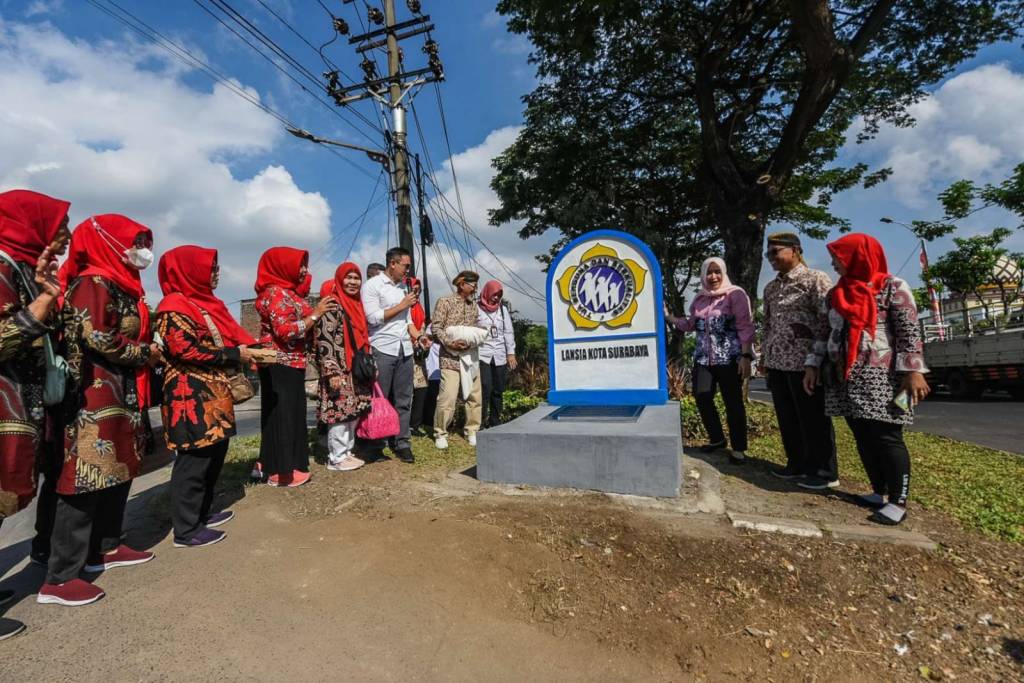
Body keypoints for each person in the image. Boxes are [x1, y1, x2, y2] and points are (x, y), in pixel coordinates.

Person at [39, 214, 162, 607]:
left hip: (120, 391)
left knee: (118, 470)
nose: (142, 250)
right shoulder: (92, 282)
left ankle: (104, 549)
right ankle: (60, 577)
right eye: (136, 241)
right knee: (84, 477)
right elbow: (97, 336)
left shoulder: (123, 284)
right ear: (108, 241)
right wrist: (147, 353)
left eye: (144, 241)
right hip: (92, 395)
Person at [806, 233, 929, 525]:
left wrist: (913, 371)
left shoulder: (892, 288)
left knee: (887, 436)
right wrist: (813, 365)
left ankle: (898, 501)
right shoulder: (835, 294)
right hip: (844, 377)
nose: (835, 263)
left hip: (882, 377)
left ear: (857, 256)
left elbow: (909, 333)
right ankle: (879, 491)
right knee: (862, 435)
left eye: (839, 257)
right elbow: (825, 332)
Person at [0, 189, 71, 636]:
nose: (65, 236)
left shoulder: (23, 269)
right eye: (58, 226)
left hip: (22, 402)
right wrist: (44, 302)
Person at [156, 246, 261, 547]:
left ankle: (200, 514)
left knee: (214, 453)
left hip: (212, 391)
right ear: (188, 269)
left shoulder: (200, 304)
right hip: (189, 394)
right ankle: (186, 529)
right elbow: (184, 349)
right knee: (194, 458)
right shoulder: (173, 306)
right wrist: (234, 353)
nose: (216, 274)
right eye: (210, 268)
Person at [760, 232, 838, 489]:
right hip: (778, 363)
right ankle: (796, 464)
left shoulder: (815, 279)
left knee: (813, 418)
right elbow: (768, 324)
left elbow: (827, 322)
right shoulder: (771, 288)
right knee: (787, 417)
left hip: (805, 364)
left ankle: (824, 472)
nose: (771, 258)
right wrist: (765, 358)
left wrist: (815, 361)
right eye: (768, 253)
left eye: (775, 252)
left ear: (794, 250)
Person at [254, 247, 336, 487]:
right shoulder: (275, 294)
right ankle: (282, 472)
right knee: (283, 416)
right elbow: (285, 330)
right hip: (280, 362)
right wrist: (315, 315)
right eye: (299, 265)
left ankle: (271, 464)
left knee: (285, 415)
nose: (303, 271)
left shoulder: (287, 293)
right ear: (282, 265)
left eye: (304, 266)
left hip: (291, 362)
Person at [665, 258, 755, 463]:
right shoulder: (700, 299)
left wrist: (746, 355)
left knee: (733, 402)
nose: (713, 276)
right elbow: (689, 325)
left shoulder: (735, 294)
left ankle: (739, 448)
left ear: (723, 273)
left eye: (717, 272)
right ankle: (717, 438)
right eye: (709, 272)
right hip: (703, 358)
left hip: (730, 358)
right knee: (702, 396)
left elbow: (745, 326)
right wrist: (669, 317)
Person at [360, 247, 425, 463]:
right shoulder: (372, 286)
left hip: (404, 348)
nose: (408, 270)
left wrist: (418, 336)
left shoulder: (402, 287)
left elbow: (406, 320)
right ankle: (375, 443)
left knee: (404, 398)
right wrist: (402, 305)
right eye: (405, 265)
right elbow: (373, 318)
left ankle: (401, 441)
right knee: (380, 398)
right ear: (393, 264)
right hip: (382, 348)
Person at [314, 262, 373, 471]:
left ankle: (347, 452)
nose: (353, 282)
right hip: (340, 368)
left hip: (356, 369)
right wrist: (331, 371)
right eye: (348, 277)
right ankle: (336, 457)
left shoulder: (357, 305)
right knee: (339, 412)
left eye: (357, 278)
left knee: (353, 412)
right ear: (339, 279)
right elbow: (325, 340)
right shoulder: (332, 305)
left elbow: (364, 338)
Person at [432, 271, 485, 449]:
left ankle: (472, 430)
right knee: (448, 395)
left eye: (476, 285)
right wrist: (450, 343)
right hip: (450, 357)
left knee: (474, 395)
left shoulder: (473, 306)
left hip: (470, 356)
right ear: (462, 284)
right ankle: (440, 432)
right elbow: (436, 328)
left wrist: (474, 339)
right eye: (472, 285)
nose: (475, 288)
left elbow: (476, 328)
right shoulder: (444, 302)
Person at [477, 280, 517, 429]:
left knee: (498, 389)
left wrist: (510, 353)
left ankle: (495, 421)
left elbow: (508, 332)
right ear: (487, 292)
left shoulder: (502, 310)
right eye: (494, 294)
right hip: (483, 353)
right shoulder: (476, 308)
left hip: (499, 354)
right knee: (485, 387)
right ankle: (480, 422)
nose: (496, 298)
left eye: (499, 295)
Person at [407, 276, 433, 436]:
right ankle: (403, 425)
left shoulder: (419, 308)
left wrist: (423, 341)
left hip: (419, 354)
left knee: (422, 389)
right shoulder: (403, 307)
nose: (416, 294)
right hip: (405, 353)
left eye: (418, 291)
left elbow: (422, 327)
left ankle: (415, 424)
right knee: (406, 391)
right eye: (413, 290)